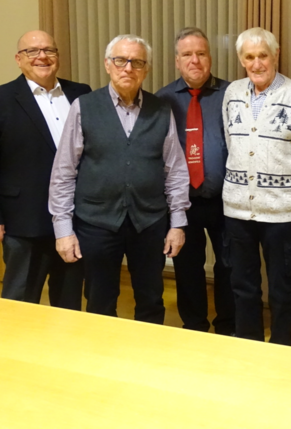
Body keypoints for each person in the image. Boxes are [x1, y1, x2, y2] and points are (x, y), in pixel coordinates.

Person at [49, 34, 190, 324]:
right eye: (120, 60)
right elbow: (64, 171)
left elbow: (175, 170)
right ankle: (104, 351)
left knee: (151, 299)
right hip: (96, 223)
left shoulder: (161, 109)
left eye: (137, 62)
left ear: (146, 69)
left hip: (149, 222)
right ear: (107, 64)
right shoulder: (84, 107)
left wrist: (177, 223)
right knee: (100, 299)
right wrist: (63, 229)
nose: (128, 68)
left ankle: (146, 348)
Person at [0, 31, 90, 309]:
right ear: (18, 59)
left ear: (58, 56)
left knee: (69, 299)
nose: (41, 57)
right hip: (23, 220)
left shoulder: (81, 93)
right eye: (32, 51)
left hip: (74, 217)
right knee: (20, 302)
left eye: (49, 50)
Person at [222, 27, 291, 345]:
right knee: (243, 285)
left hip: (283, 214)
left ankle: (281, 345)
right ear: (241, 59)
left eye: (263, 55)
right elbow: (232, 144)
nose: (257, 63)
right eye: (249, 57)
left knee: (282, 287)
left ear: (275, 55)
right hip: (238, 211)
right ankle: (249, 342)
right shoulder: (232, 93)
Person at [156, 28, 235, 335]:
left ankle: (227, 326)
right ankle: (194, 326)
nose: (195, 60)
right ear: (177, 61)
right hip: (182, 203)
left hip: (225, 199)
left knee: (229, 265)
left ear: (210, 58)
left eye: (201, 53)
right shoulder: (162, 100)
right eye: (187, 54)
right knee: (188, 268)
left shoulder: (231, 94)